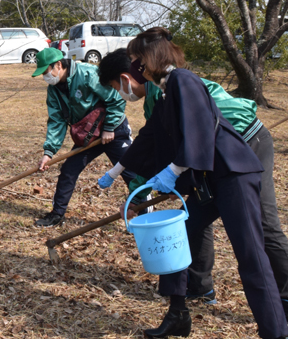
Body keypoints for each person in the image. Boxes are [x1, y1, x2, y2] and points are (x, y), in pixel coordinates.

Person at [110, 27, 288, 339]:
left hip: (233, 174)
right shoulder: (166, 88)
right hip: (209, 179)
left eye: (137, 58)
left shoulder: (183, 80)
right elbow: (152, 134)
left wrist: (174, 171)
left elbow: (201, 131)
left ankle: (275, 331)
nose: (134, 65)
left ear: (149, 58)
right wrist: (117, 169)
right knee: (178, 235)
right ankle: (178, 313)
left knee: (250, 253)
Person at [32, 47, 140, 227]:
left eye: (46, 71)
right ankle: (57, 214)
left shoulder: (88, 74)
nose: (45, 77)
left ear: (58, 65)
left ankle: (145, 212)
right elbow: (56, 121)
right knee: (68, 171)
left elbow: (116, 97)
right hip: (89, 135)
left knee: (130, 173)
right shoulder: (54, 90)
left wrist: (110, 127)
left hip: (115, 132)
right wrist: (48, 152)